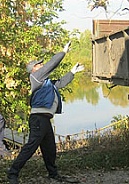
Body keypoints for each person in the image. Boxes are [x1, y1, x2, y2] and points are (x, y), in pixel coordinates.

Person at [7, 42, 84, 184]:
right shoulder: (36, 77)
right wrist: (63, 52)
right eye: (39, 64)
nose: (42, 65)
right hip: (38, 119)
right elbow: (51, 65)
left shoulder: (46, 82)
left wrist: (72, 72)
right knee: (31, 147)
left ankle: (53, 174)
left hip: (44, 119)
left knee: (50, 148)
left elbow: (60, 83)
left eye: (41, 64)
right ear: (33, 69)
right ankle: (12, 173)